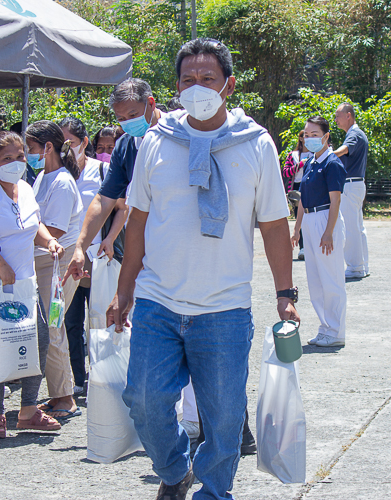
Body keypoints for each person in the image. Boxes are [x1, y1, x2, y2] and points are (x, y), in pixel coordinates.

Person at [108, 38, 299, 500]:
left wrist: (285, 293)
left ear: (228, 85)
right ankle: (174, 470)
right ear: (176, 87)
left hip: (225, 307)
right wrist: (124, 288)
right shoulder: (157, 139)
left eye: (207, 79)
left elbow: (274, 225)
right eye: (188, 81)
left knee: (224, 419)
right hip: (159, 301)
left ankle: (214, 492)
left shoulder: (255, 144)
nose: (198, 88)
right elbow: (137, 221)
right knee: (144, 401)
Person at [0, 131, 64, 437]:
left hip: (25, 282)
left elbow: (34, 225)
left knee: (38, 341)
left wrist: (50, 242)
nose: (17, 163)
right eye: (8, 158)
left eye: (20, 156)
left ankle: (28, 410)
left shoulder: (25, 188)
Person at [63, 78, 164, 286]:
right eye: (121, 118)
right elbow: (104, 200)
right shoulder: (126, 145)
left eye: (133, 115)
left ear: (151, 103)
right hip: (142, 251)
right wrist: (80, 247)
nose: (127, 122)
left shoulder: (180, 134)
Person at [59, 117, 127, 394]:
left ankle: (104, 377)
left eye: (70, 143)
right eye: (59, 144)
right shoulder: (55, 173)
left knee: (100, 318)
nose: (65, 149)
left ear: (85, 143)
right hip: (65, 258)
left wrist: (110, 239)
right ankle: (77, 380)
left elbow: (122, 207)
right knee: (70, 321)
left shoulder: (103, 170)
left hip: (98, 257)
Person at [25, 120, 83, 421]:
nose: (27, 154)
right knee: (49, 326)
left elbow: (55, 230)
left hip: (57, 262)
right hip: (45, 261)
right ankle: (59, 392)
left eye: (31, 148)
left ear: (48, 148)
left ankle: (65, 397)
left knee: (53, 325)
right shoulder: (42, 178)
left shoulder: (60, 181)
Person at [291, 116, 347, 348]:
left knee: (331, 279)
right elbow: (303, 199)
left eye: (315, 134)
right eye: (306, 134)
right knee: (315, 280)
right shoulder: (310, 162)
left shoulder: (332, 163)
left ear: (326, 136)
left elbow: (335, 201)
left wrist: (328, 232)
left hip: (325, 218)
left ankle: (336, 330)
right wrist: (296, 228)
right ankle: (325, 327)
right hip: (309, 220)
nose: (309, 138)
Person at [333, 103, 369, 279]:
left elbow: (345, 149)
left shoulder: (354, 134)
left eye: (338, 116)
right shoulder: (356, 133)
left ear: (349, 115)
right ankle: (362, 265)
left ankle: (355, 267)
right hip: (356, 184)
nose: (335, 120)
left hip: (351, 184)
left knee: (350, 227)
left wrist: (329, 155)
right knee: (357, 226)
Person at [282, 130, 308, 260]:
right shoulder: (293, 155)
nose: (307, 138)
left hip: (312, 186)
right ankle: (302, 247)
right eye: (304, 136)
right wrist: (299, 165)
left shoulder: (317, 154)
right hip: (297, 188)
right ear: (301, 139)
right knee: (300, 217)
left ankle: (311, 246)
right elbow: (286, 172)